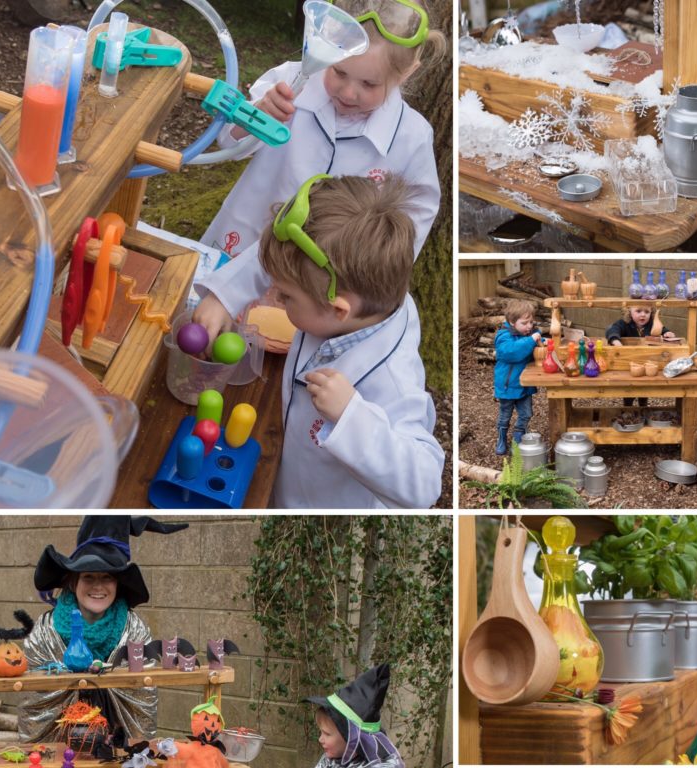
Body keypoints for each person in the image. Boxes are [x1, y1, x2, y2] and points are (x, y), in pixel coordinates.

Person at [193, 0, 445, 339]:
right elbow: (227, 141)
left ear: (405, 74)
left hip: (315, 289)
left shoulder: (411, 139)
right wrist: (257, 116)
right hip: (241, 242)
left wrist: (370, 271)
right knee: (208, 328)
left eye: (369, 84)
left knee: (271, 359)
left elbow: (413, 219)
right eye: (339, 71)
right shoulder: (291, 82)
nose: (348, 91)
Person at [257, 173, 443, 508]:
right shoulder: (356, 308)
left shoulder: (392, 379)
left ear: (338, 308)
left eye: (285, 297)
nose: (273, 297)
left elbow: (424, 485)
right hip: (283, 476)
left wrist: (351, 417)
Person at [18, 516, 187, 743]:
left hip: (116, 746)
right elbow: (35, 699)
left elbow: (142, 696)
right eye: (88, 576)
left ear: (118, 584)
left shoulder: (133, 630)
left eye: (107, 577)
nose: (98, 586)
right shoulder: (46, 631)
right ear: (73, 582)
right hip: (60, 750)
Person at [493, 299, 541, 456]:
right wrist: (532, 339)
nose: (529, 326)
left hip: (524, 386)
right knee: (505, 416)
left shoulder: (526, 335)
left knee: (526, 414)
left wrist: (544, 342)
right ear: (512, 322)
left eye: (531, 322)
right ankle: (501, 439)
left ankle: (517, 438)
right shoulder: (504, 337)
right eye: (524, 323)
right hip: (507, 386)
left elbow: (539, 343)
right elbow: (512, 352)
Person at [605, 304, 678, 346]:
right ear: (629, 311)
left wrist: (668, 333)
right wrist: (615, 341)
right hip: (629, 354)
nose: (643, 315)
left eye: (647, 312)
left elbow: (663, 330)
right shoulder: (624, 323)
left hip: (648, 356)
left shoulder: (653, 324)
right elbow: (613, 329)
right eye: (638, 311)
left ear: (651, 313)